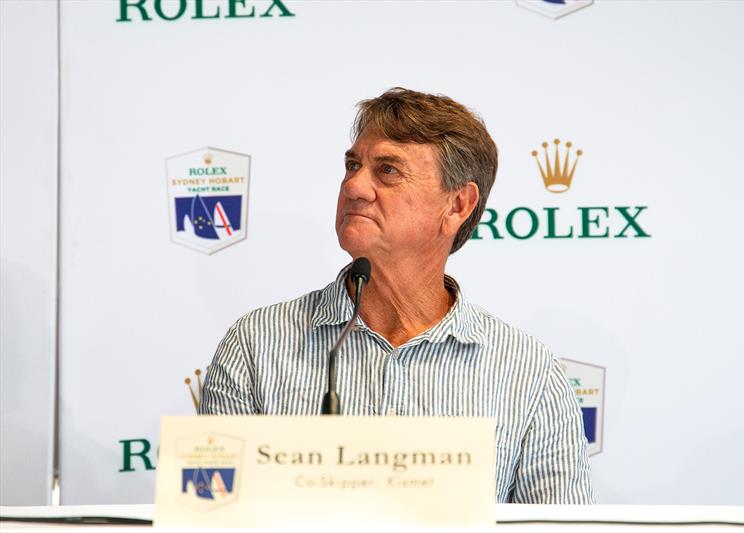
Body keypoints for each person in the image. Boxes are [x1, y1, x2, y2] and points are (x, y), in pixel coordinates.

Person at [200, 87, 594, 503]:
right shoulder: (256, 345)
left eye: (387, 170)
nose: (354, 186)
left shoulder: (528, 375)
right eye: (352, 165)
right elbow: (212, 515)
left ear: (459, 204)